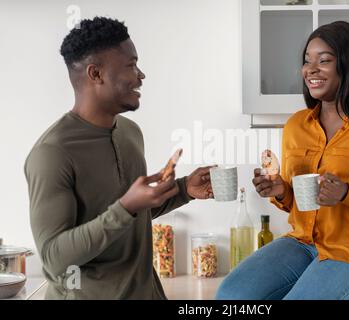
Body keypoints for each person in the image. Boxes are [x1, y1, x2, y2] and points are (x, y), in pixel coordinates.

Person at [216, 21, 349, 300]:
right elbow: (299, 201)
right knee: (231, 295)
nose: (311, 69)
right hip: (302, 244)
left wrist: (346, 192)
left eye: (324, 61)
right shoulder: (297, 125)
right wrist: (280, 190)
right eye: (307, 61)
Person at [24, 17, 213, 300]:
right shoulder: (52, 153)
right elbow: (54, 257)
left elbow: (127, 219)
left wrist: (184, 190)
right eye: (131, 65)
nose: (141, 75)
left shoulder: (129, 132)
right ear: (96, 74)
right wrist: (125, 207)